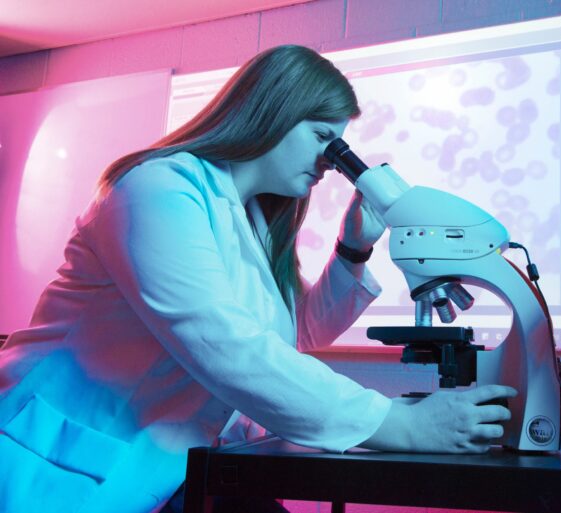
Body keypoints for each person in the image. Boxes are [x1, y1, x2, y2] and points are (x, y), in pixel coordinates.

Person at [0, 45, 516, 513]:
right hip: (53, 461)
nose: (330, 163)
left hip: (160, 466)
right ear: (273, 113)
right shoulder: (158, 188)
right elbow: (224, 344)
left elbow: (296, 337)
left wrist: (354, 247)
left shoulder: (254, 222)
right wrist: (402, 426)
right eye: (322, 138)